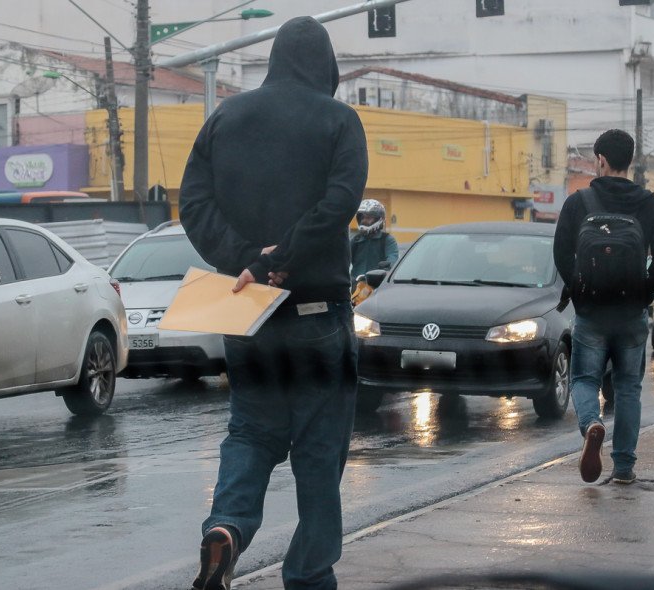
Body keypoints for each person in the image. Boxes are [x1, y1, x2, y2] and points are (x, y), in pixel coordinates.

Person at [179, 16, 368, 590]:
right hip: (316, 313)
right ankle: (309, 574)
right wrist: (281, 254)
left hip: (246, 309)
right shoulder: (339, 120)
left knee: (252, 433)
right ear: (326, 63)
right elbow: (340, 203)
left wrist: (244, 259)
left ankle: (228, 528)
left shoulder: (226, 117)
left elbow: (193, 201)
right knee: (318, 448)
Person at [553, 129, 654, 485]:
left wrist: (579, 289)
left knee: (584, 379)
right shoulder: (650, 204)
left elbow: (560, 253)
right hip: (631, 314)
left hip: (591, 312)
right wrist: (643, 290)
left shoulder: (579, 202)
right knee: (628, 388)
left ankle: (592, 422)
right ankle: (623, 468)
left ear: (600, 160)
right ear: (630, 161)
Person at [350, 199, 398, 278]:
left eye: (368, 218)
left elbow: (392, 259)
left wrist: (387, 266)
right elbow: (343, 260)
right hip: (356, 284)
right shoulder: (356, 240)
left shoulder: (387, 240)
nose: (364, 220)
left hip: (377, 284)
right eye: (362, 218)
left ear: (378, 219)